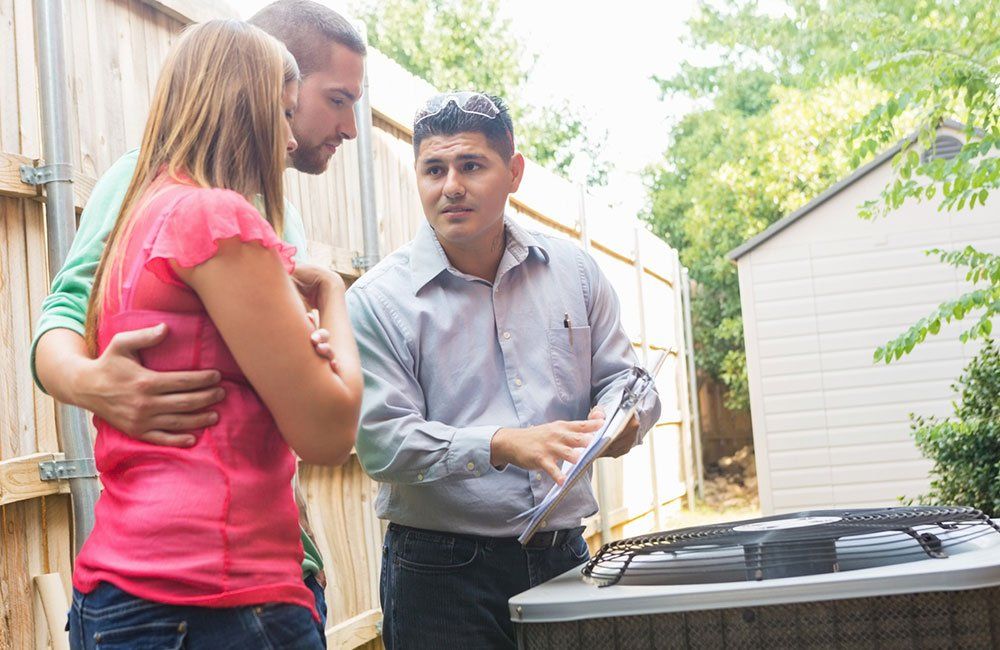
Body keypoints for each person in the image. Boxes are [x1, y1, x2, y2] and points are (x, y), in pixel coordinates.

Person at [30, 0, 366, 629]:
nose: (345, 128)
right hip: (215, 584)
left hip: (165, 564)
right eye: (334, 100)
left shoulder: (209, 205)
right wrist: (91, 382)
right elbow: (328, 431)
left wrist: (301, 340)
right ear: (257, 87)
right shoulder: (187, 203)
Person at [347, 92, 662, 648]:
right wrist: (501, 443)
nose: (451, 187)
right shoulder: (378, 300)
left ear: (514, 172)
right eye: (434, 169)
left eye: (471, 165)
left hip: (564, 553)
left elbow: (625, 379)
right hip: (438, 573)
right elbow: (381, 444)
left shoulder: (576, 272)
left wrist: (623, 416)